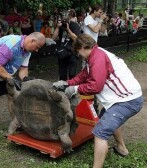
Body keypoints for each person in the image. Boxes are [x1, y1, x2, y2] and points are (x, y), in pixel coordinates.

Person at [53, 34, 143, 168]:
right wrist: (66, 83)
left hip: (127, 101)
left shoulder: (98, 58)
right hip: (119, 99)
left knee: (100, 133)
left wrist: (75, 90)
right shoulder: (95, 55)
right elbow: (84, 75)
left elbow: (95, 86)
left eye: (78, 51)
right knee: (107, 119)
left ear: (83, 47)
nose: (78, 54)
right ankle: (122, 148)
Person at [0, 32, 46, 153]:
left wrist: (25, 79)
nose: (37, 50)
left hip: (2, 73)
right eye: (37, 47)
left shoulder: (27, 51)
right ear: (32, 41)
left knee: (13, 96)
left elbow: (23, 70)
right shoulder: (11, 45)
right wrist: (10, 78)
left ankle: (16, 124)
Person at [52, 15, 81, 80]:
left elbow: (76, 39)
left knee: (72, 73)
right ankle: (62, 87)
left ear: (69, 19)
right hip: (62, 52)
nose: (64, 22)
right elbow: (53, 38)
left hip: (72, 51)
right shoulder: (60, 26)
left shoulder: (74, 25)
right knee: (62, 74)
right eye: (63, 20)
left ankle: (72, 87)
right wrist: (57, 27)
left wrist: (68, 29)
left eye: (66, 20)